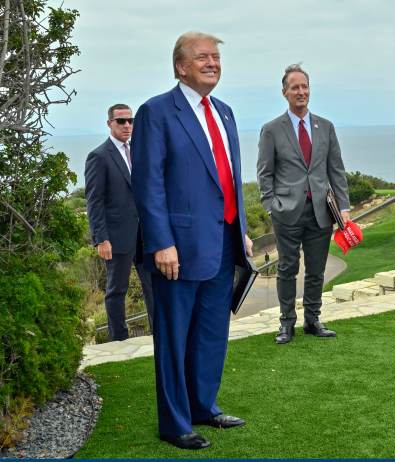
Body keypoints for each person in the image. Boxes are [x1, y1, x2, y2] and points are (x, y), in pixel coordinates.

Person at [131, 31, 253, 450]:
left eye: (216, 57)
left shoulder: (225, 112)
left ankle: (204, 405)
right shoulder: (156, 112)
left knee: (211, 332)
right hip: (176, 250)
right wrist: (161, 243)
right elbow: (148, 184)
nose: (212, 63)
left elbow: (230, 181)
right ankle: (175, 423)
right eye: (202, 57)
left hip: (222, 244)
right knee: (174, 336)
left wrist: (244, 232)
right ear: (181, 66)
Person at [257, 64, 350, 345]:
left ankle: (313, 320)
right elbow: (265, 173)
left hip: (321, 212)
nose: (301, 92)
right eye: (295, 87)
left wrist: (343, 207)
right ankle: (287, 323)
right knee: (287, 268)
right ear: (285, 92)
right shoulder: (272, 130)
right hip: (286, 212)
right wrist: (272, 206)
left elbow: (336, 170)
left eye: (305, 86)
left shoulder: (326, 127)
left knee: (317, 269)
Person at [84, 104, 154, 341]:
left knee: (153, 286)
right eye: (121, 121)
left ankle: (160, 332)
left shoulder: (139, 151)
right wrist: (101, 239)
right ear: (109, 124)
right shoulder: (99, 156)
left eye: (130, 121)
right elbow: (94, 202)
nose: (127, 126)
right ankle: (119, 340)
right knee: (116, 291)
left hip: (146, 235)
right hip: (116, 236)